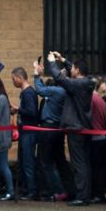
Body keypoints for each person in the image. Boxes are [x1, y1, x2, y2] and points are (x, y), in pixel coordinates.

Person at [42, 52, 95, 205]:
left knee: (78, 163)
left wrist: (52, 62)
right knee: (84, 162)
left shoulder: (78, 84)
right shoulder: (86, 82)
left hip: (75, 128)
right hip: (82, 127)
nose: (72, 70)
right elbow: (72, 71)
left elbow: (60, 78)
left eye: (74, 68)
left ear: (77, 70)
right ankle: (85, 195)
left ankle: (81, 197)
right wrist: (62, 60)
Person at [33, 66, 69, 201]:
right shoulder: (62, 90)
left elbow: (40, 90)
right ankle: (65, 189)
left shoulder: (58, 91)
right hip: (57, 128)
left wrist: (36, 75)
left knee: (45, 161)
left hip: (49, 127)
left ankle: (54, 191)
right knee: (59, 160)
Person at [10, 67, 40, 200]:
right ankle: (25, 189)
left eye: (13, 79)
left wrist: (18, 109)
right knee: (23, 162)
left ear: (19, 78)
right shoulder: (26, 92)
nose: (13, 82)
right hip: (25, 132)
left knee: (28, 162)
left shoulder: (28, 93)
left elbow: (32, 112)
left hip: (29, 132)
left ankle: (31, 191)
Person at [89, 76, 106, 203]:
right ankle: (102, 192)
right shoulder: (100, 99)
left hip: (95, 137)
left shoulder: (92, 99)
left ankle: (99, 194)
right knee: (100, 166)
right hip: (101, 136)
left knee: (96, 167)